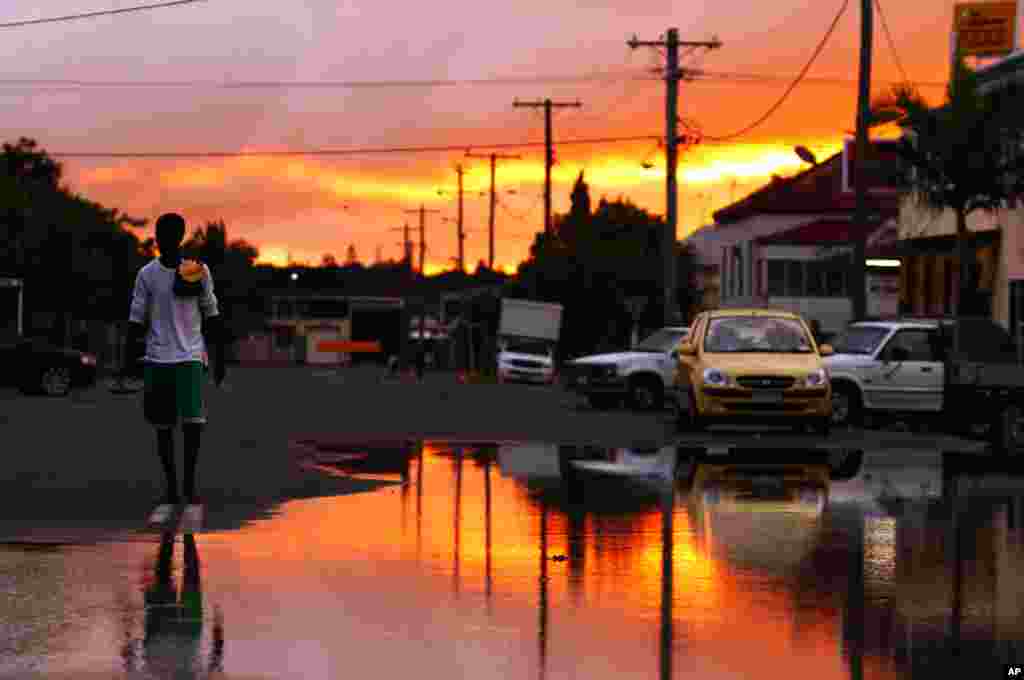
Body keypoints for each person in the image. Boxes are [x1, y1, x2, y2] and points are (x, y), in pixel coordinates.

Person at [124, 213, 226, 527]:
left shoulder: (196, 271)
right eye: (160, 232)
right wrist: (129, 359)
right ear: (156, 236)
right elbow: (136, 318)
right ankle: (170, 490)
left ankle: (190, 487)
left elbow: (211, 315)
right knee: (164, 428)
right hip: (157, 359)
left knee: (193, 425)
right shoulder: (147, 274)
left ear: (179, 236)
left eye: (170, 233)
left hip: (190, 357)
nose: (163, 237)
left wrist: (219, 359)